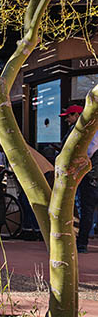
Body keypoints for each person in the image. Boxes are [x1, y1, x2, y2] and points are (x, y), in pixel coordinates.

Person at [60, 105, 98, 253]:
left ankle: (82, 243)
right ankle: (82, 241)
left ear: (77, 115)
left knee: (86, 211)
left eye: (69, 116)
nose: (67, 120)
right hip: (91, 176)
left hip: (87, 176)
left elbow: (88, 152)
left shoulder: (84, 131)